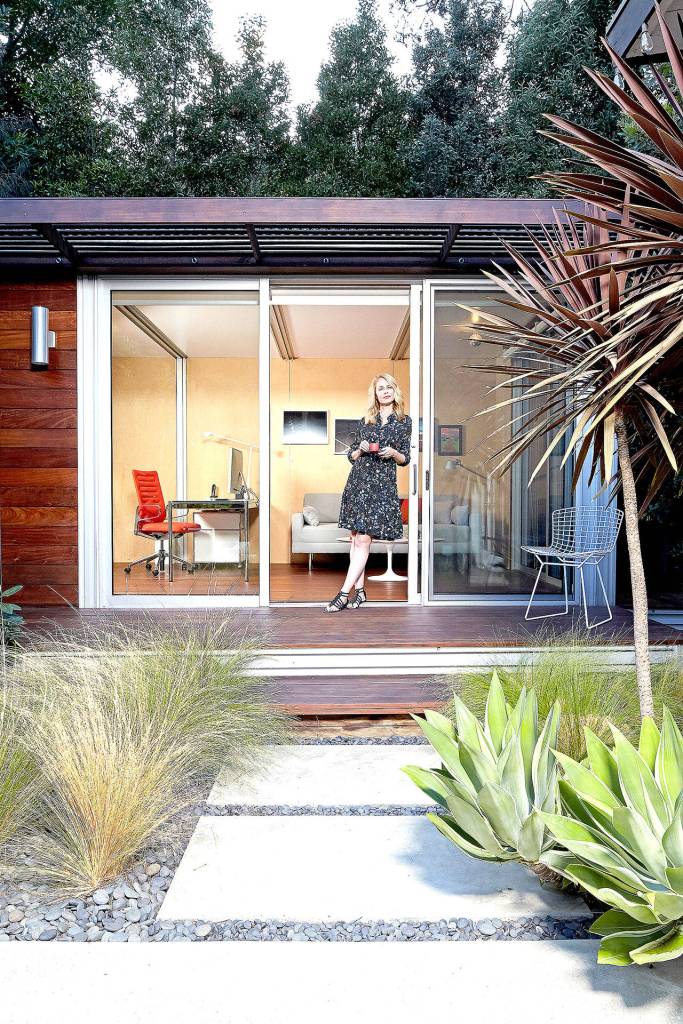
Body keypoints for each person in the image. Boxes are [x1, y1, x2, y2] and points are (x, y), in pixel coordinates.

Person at [325, 373, 411, 612]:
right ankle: (360, 592)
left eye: (389, 387)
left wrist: (393, 453)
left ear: (395, 391)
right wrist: (361, 449)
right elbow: (351, 455)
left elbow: (405, 458)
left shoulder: (404, 421)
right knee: (356, 539)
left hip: (381, 486)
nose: (385, 391)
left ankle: (343, 594)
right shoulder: (366, 420)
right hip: (359, 482)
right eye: (380, 388)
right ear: (375, 393)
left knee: (363, 540)